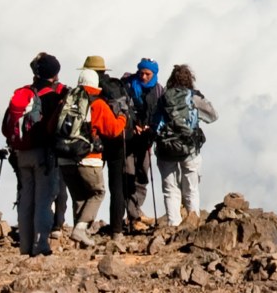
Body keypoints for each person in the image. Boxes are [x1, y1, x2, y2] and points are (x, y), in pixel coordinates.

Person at [54, 65, 130, 241]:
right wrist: (123, 117)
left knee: (79, 197)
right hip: (88, 158)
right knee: (97, 193)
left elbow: (52, 127)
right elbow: (113, 130)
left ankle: (80, 237)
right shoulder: (97, 103)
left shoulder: (65, 100)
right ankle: (81, 229)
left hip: (64, 158)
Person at [3, 53, 66, 257]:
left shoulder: (24, 94)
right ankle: (40, 246)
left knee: (25, 200)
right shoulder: (53, 97)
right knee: (43, 201)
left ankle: (25, 246)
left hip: (21, 153)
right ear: (54, 74)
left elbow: (6, 127)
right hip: (43, 154)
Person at [152, 64, 217, 226]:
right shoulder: (193, 97)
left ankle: (173, 225)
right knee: (191, 189)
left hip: (166, 149)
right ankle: (192, 223)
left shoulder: (164, 98)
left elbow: (155, 123)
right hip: (190, 149)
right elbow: (213, 116)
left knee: (170, 189)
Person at [115, 58, 162, 231]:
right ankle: (133, 215)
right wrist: (132, 125)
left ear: (154, 74)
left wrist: (151, 128)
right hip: (128, 137)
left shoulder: (158, 90)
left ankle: (135, 211)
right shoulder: (127, 85)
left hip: (145, 139)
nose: (143, 76)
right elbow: (121, 108)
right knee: (128, 174)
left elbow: (159, 113)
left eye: (147, 74)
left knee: (142, 175)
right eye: (141, 72)